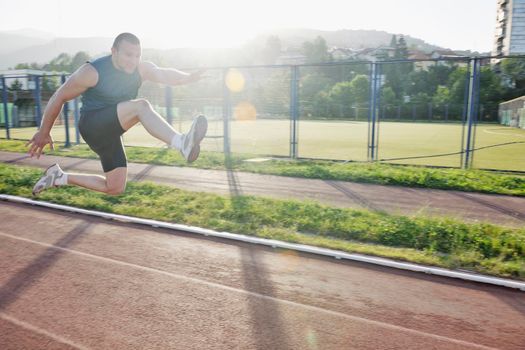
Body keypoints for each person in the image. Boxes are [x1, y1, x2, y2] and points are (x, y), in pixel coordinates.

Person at [28, 32, 208, 196]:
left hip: (111, 132)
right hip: (92, 124)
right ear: (114, 51)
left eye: (137, 55)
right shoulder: (92, 72)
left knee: (115, 187)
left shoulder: (140, 69)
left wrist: (188, 78)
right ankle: (182, 143)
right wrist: (44, 132)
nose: (133, 60)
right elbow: (59, 96)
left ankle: (59, 176)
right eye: (128, 55)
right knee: (141, 107)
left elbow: (162, 74)